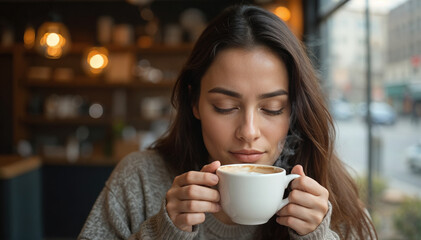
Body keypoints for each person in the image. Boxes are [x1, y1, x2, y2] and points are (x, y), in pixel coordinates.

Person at [78, 5, 377, 240]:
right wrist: (162, 233)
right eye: (225, 106)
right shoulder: (140, 179)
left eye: (272, 108)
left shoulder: (330, 193)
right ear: (194, 102)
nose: (248, 132)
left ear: (294, 111)